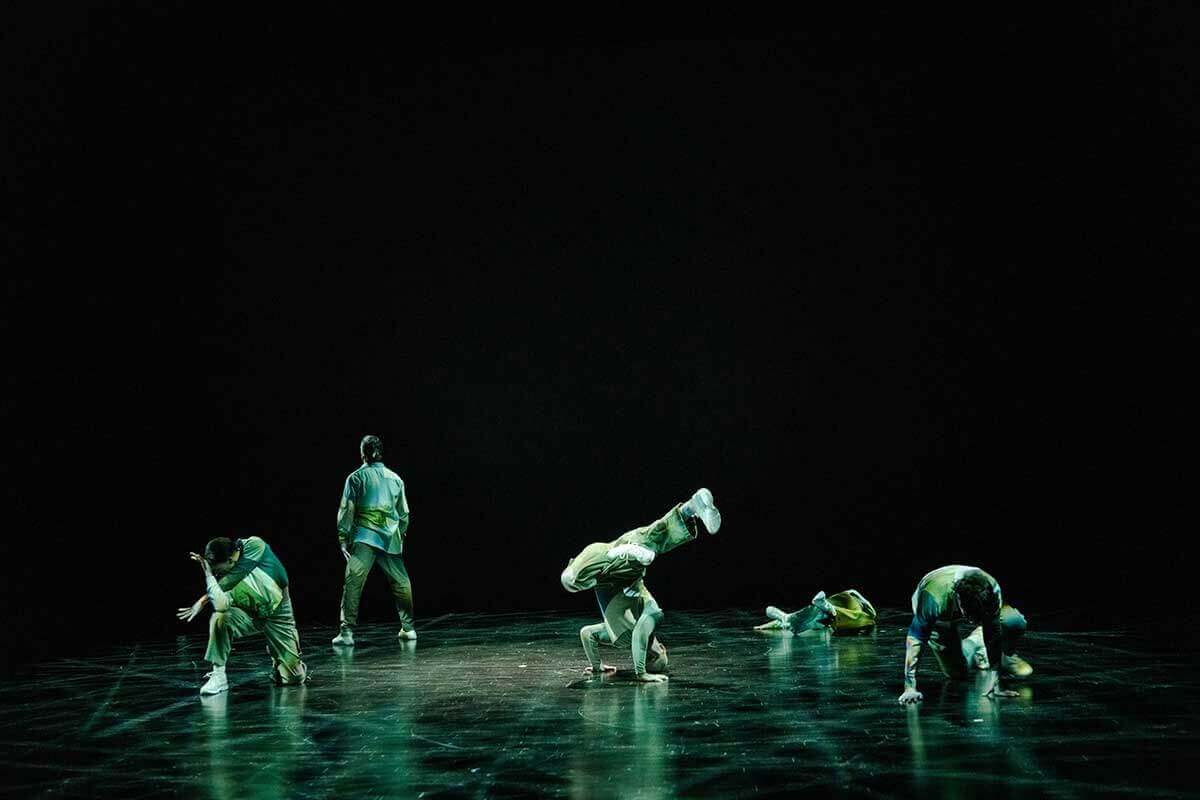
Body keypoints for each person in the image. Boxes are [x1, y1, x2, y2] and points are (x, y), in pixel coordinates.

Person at [561, 488, 722, 682]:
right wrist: (617, 670)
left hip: (609, 566)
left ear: (662, 648)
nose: (652, 652)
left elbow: (599, 634)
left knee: (652, 537)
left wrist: (625, 671)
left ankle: (687, 511)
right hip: (614, 568)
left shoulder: (643, 625)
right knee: (652, 538)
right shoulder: (633, 629)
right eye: (653, 656)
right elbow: (590, 634)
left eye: (652, 657)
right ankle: (690, 508)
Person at [177, 535, 307, 695]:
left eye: (217, 569)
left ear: (230, 560)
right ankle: (218, 676)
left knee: (294, 678)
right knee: (220, 618)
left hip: (277, 610)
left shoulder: (254, 545)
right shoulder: (226, 576)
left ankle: (281, 657)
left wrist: (204, 599)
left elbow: (237, 574)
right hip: (247, 611)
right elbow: (220, 604)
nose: (217, 574)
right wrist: (208, 579)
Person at [897, 565, 1033, 706]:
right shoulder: (933, 598)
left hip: (968, 602)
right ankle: (976, 643)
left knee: (1014, 622)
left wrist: (996, 681)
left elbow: (993, 633)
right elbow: (916, 639)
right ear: (958, 599)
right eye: (970, 613)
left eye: (977, 614)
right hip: (940, 619)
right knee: (957, 674)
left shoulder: (992, 589)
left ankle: (1001, 655)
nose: (972, 621)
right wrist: (910, 686)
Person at [332, 434, 414, 646]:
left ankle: (347, 632)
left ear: (362, 454)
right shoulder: (396, 479)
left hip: (364, 538)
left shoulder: (355, 478)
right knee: (401, 583)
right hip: (389, 540)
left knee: (353, 581)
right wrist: (400, 535)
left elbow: (346, 510)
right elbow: (404, 513)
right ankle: (409, 628)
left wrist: (343, 537)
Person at [754, 589, 877, 635]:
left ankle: (784, 618)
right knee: (867, 617)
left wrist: (763, 626)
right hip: (840, 607)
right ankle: (829, 608)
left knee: (811, 618)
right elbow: (870, 611)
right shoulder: (854, 602)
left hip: (829, 612)